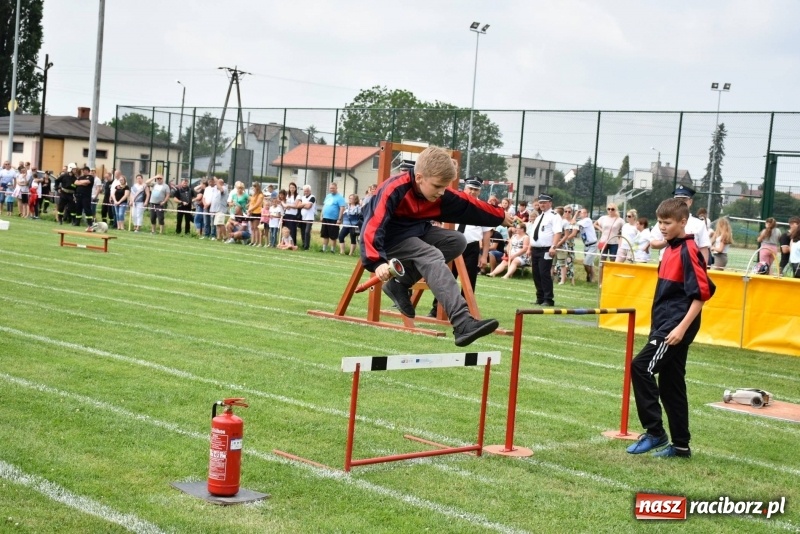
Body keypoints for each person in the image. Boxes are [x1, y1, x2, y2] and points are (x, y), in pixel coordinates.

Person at [361, 146, 512, 347]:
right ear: (420, 177)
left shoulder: (436, 191)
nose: (442, 193)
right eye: (438, 186)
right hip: (388, 238)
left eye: (444, 187)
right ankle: (462, 322)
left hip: (416, 230)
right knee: (430, 254)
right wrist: (377, 261)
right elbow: (372, 225)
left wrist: (500, 216)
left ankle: (400, 284)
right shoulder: (393, 189)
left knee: (457, 241)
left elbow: (467, 204)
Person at [627, 198, 716, 459]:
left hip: (674, 326)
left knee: (641, 367)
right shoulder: (671, 248)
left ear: (683, 222)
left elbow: (703, 292)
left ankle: (655, 432)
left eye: (667, 223)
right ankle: (680, 446)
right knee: (671, 384)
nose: (662, 227)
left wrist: (680, 328)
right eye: (659, 222)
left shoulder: (689, 251)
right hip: (666, 322)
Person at [427, 176, 493, 317]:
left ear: (480, 191)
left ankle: (464, 312)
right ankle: (436, 309)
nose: (473, 192)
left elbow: (487, 234)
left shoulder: (481, 207)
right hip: (452, 245)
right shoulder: (455, 202)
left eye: (476, 189)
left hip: (471, 247)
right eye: (471, 188)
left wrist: (485, 255)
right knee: (444, 277)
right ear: (465, 188)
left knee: (469, 281)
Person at [650, 185, 711, 263]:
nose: (681, 203)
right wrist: (666, 242)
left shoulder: (699, 224)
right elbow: (653, 243)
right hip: (667, 263)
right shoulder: (664, 221)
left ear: (690, 202)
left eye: (684, 200)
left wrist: (703, 268)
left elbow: (703, 248)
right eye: (677, 200)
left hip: (690, 266)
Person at [527, 193, 562, 306]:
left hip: (546, 249)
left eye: (544, 202)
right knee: (536, 274)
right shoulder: (538, 217)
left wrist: (553, 246)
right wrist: (529, 248)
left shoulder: (554, 216)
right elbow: (533, 234)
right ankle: (540, 297)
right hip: (535, 249)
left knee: (544, 273)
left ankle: (548, 298)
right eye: (540, 202)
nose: (542, 204)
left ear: (550, 203)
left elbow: (557, 232)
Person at [320, 182, 346, 253]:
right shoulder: (328, 196)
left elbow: (342, 208)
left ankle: (332, 250)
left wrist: (339, 219)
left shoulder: (340, 197)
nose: (331, 189)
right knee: (325, 234)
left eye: (333, 188)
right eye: (330, 188)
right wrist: (321, 215)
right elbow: (324, 206)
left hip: (334, 219)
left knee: (333, 235)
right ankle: (324, 249)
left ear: (336, 188)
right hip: (325, 218)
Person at [555, 206, 578, 285]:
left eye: (569, 211)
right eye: (566, 211)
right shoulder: (560, 221)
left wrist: (563, 239)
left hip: (569, 245)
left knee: (569, 262)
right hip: (560, 244)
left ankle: (572, 281)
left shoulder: (574, 222)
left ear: (571, 212)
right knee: (559, 263)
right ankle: (559, 278)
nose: (567, 213)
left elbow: (573, 234)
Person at [576, 207, 599, 283]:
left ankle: (589, 275)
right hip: (586, 245)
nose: (580, 213)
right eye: (579, 212)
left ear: (586, 214)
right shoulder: (581, 222)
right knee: (590, 263)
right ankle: (591, 278)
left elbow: (573, 222)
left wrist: (575, 215)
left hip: (592, 245)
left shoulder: (587, 220)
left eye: (581, 212)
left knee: (586, 263)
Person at [299, 184, 316, 251]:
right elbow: (298, 205)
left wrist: (302, 205)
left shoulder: (312, 197)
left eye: (307, 191)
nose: (306, 192)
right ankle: (303, 244)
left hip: (310, 217)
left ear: (310, 190)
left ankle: (307, 246)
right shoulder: (302, 197)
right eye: (305, 191)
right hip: (303, 217)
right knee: (303, 231)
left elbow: (309, 207)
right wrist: (304, 204)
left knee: (307, 232)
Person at [283, 182, 300, 246]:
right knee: (286, 230)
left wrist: (288, 206)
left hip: (293, 215)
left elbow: (295, 205)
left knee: (292, 230)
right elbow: (284, 204)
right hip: (287, 214)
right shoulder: (287, 195)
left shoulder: (297, 196)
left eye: (293, 187)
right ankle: (286, 243)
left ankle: (293, 243)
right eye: (290, 187)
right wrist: (287, 206)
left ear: (295, 188)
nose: (292, 189)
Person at [247, 182, 264, 246]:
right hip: (252, 212)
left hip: (257, 212)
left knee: (256, 227)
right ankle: (252, 241)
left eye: (254, 187)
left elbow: (257, 204)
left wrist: (250, 209)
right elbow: (251, 203)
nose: (253, 188)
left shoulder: (260, 195)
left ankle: (257, 241)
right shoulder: (253, 195)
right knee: (252, 228)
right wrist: (249, 210)